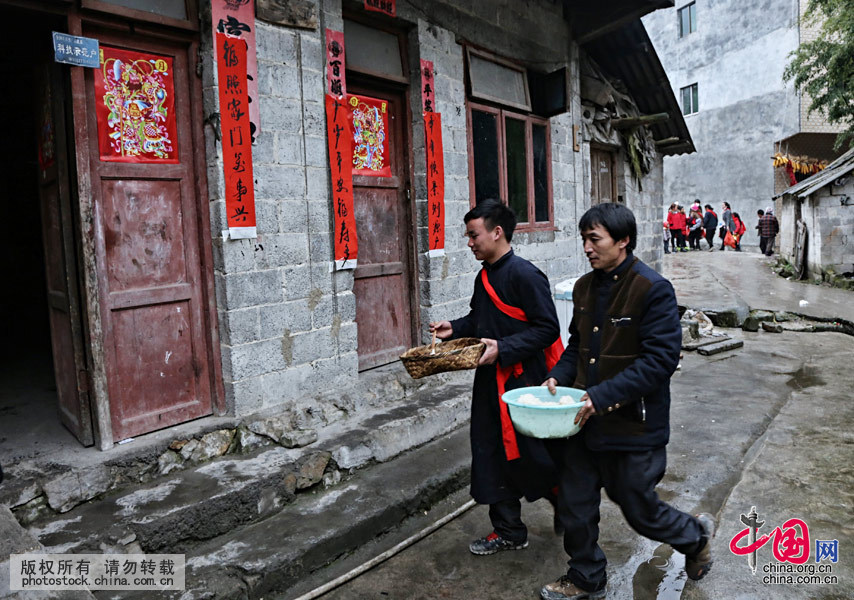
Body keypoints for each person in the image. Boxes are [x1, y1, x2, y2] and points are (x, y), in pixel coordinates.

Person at [538, 203, 715, 600]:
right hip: (584, 422)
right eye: (584, 238)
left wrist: (601, 396)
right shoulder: (584, 288)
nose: (587, 247)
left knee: (639, 509)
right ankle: (586, 578)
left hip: (635, 425)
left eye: (595, 239)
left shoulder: (652, 290)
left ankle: (694, 536)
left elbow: (660, 361)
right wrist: (558, 376)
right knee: (575, 503)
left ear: (623, 241)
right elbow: (578, 347)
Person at [429, 199, 562, 556]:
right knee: (490, 453)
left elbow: (548, 329)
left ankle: (568, 504)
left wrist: (504, 348)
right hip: (490, 382)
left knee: (537, 453)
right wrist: (453, 329)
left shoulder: (526, 275)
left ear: (497, 232)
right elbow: (479, 320)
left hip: (526, 381)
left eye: (474, 235)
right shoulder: (484, 276)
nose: (469, 242)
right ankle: (509, 530)